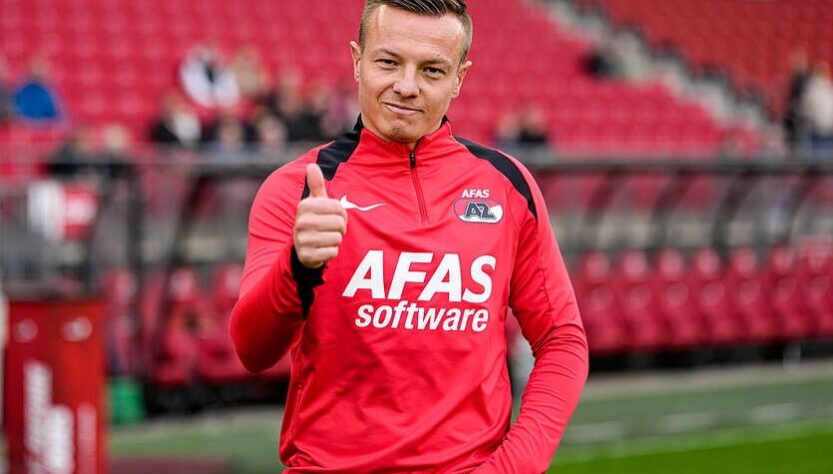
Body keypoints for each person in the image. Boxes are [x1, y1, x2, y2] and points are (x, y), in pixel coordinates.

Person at [229, 1, 588, 472]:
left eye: (432, 70)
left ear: (459, 78)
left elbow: (562, 340)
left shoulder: (507, 185)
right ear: (357, 60)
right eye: (388, 62)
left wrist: (512, 467)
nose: (406, 85)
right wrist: (296, 269)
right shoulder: (297, 188)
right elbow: (252, 350)